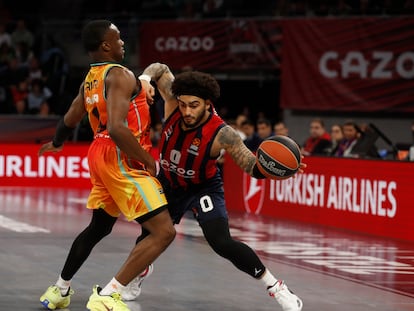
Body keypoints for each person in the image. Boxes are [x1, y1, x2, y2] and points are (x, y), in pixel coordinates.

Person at [131, 63, 305, 311]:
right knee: (150, 236)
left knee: (221, 242)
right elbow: (160, 68)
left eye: (194, 105)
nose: (187, 111)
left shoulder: (224, 134)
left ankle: (277, 288)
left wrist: (276, 170)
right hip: (169, 183)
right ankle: (141, 271)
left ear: (207, 103)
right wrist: (146, 78)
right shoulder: (173, 103)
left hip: (203, 187)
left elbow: (252, 166)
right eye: (183, 104)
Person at [38, 20, 175, 311]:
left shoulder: (91, 77)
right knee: (164, 231)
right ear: (105, 46)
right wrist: (149, 161)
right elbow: (116, 128)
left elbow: (72, 116)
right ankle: (109, 293)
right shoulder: (120, 75)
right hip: (120, 156)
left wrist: (59, 142)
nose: (123, 42)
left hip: (99, 154)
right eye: (118, 38)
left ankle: (60, 290)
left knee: (98, 227)